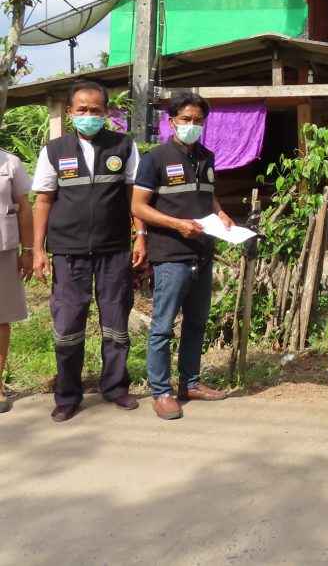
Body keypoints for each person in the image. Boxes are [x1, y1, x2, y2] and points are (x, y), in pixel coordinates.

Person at [32, 80, 146, 422]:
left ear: (106, 112)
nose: (89, 115)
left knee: (116, 322)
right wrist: (37, 250)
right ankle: (68, 395)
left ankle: (115, 387)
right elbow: (43, 201)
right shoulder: (54, 150)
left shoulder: (124, 146)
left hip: (115, 249)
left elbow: (135, 196)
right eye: (82, 109)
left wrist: (140, 236)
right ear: (70, 112)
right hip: (68, 252)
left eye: (96, 110)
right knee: (67, 325)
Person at [131, 92, 233, 420]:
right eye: (186, 119)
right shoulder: (155, 159)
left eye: (198, 120)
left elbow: (206, 196)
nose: (192, 125)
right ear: (171, 120)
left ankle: (190, 383)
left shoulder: (206, 156)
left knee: (197, 322)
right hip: (171, 255)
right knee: (162, 327)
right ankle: (161, 391)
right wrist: (177, 224)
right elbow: (138, 206)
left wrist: (222, 213)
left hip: (202, 252)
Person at [0, 149, 34, 414]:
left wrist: (29, 250)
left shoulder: (9, 162)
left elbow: (24, 207)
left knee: (1, 318)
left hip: (3, 251)